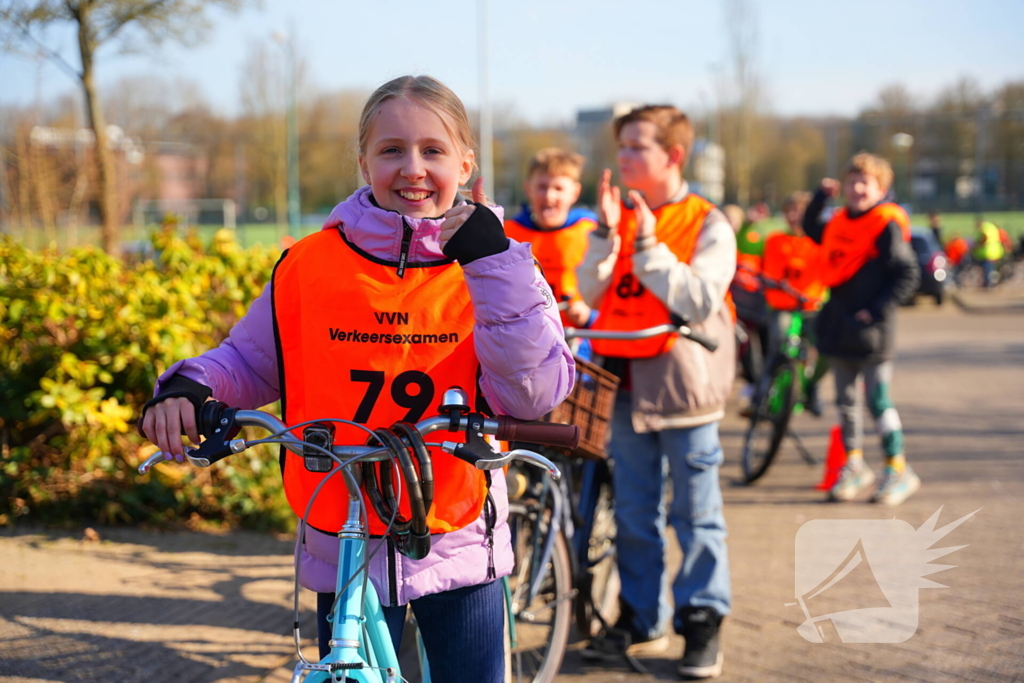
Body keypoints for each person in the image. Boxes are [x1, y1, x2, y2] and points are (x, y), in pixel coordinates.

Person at [138, 75, 574, 683]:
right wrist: (191, 386)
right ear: (364, 161)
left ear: (466, 164)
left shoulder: (501, 261)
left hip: (458, 533)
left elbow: (535, 393)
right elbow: (252, 359)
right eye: (391, 150)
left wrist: (493, 264)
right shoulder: (309, 263)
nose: (413, 168)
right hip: (343, 531)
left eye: (433, 150)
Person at [577, 105, 736, 680]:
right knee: (635, 513)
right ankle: (643, 618)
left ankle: (701, 621)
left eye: (637, 147)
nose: (623, 158)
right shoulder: (617, 215)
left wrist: (646, 245)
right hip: (620, 384)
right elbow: (590, 291)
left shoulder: (707, 221)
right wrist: (603, 231)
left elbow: (698, 298)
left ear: (673, 155)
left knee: (695, 514)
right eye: (620, 148)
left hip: (682, 391)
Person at [803, 152, 920, 506]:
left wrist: (875, 309)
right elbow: (811, 229)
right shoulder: (838, 222)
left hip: (873, 333)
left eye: (864, 182)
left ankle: (897, 468)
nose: (856, 188)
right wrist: (820, 197)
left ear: (881, 188)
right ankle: (854, 466)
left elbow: (907, 274)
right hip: (840, 327)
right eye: (852, 181)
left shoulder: (885, 225)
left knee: (877, 401)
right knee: (846, 402)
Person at [504, 147, 597, 331]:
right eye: (542, 187)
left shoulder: (591, 232)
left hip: (579, 338)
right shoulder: (508, 234)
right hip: (526, 334)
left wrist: (589, 315)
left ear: (575, 192)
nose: (549, 195)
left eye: (558, 188)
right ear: (528, 188)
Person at [760, 191, 827, 416]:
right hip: (783, 305)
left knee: (822, 346)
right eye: (789, 211)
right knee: (779, 340)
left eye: (798, 211)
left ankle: (811, 387)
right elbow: (769, 271)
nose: (793, 216)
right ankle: (764, 392)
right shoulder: (775, 240)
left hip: (811, 305)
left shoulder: (818, 242)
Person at [973, 219, 1006, 288]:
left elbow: (985, 237)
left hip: (987, 252)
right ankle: (992, 281)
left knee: (987, 269)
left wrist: (979, 244)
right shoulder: (992, 227)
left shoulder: (984, 227)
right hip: (995, 251)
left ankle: (988, 283)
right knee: (990, 268)